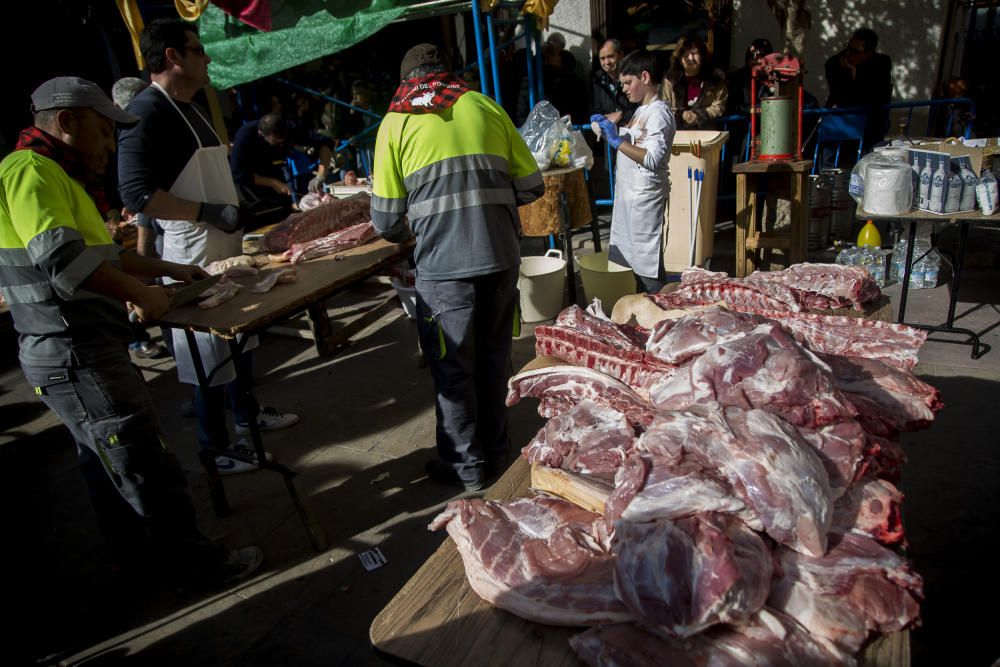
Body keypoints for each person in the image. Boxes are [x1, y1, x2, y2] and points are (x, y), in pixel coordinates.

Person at [0, 76, 262, 585]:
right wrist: (140, 294)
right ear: (67, 122)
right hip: (75, 350)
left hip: (80, 349)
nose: (109, 145)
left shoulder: (56, 174)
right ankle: (196, 566)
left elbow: (106, 254)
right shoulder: (31, 171)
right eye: (103, 131)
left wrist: (168, 270)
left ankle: (138, 559)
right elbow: (63, 261)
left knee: (108, 463)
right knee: (142, 462)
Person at [117, 18, 298, 475]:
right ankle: (216, 448)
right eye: (198, 50)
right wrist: (205, 212)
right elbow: (135, 193)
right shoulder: (146, 112)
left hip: (225, 245)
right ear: (173, 57)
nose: (208, 57)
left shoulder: (193, 107)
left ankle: (246, 416)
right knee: (206, 360)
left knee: (240, 340)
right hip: (193, 252)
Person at [371, 43, 544, 491]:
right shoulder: (485, 105)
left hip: (444, 268)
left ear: (407, 82)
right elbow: (531, 185)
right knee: (492, 358)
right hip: (501, 258)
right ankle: (499, 454)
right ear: (447, 73)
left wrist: (417, 229)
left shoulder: (396, 121)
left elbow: (385, 220)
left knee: (453, 371)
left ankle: (467, 470)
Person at [591, 50, 676, 294]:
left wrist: (618, 141)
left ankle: (660, 314)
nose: (625, 90)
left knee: (647, 267)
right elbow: (637, 142)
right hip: (632, 199)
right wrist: (611, 130)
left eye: (629, 83)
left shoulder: (659, 112)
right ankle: (649, 310)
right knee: (637, 265)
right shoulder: (641, 110)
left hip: (645, 200)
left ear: (646, 77)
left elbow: (652, 157)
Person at [824, 28, 892, 148]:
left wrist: (856, 74)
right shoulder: (838, 62)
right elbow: (836, 89)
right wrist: (848, 73)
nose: (848, 53)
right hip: (840, 121)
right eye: (848, 47)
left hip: (869, 123)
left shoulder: (880, 63)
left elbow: (875, 95)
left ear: (868, 53)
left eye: (854, 51)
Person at [229, 112, 294, 216]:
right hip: (254, 189)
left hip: (277, 177)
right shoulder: (246, 135)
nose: (280, 143)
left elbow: (321, 141)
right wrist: (273, 183)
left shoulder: (284, 128)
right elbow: (237, 174)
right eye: (276, 141)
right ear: (262, 134)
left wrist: (320, 176)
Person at [661, 36, 728, 130]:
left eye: (694, 53)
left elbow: (719, 106)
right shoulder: (671, 80)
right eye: (686, 55)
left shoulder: (715, 79)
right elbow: (663, 107)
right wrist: (682, 114)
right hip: (676, 133)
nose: (691, 58)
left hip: (705, 132)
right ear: (680, 59)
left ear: (702, 55)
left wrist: (699, 115)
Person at [591, 38, 637, 125]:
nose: (607, 62)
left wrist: (621, 115)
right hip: (608, 133)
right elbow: (596, 109)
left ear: (621, 55)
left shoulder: (633, 75)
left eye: (610, 56)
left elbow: (642, 107)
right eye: (602, 58)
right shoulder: (597, 79)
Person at [726, 38, 774, 115]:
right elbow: (732, 106)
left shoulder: (774, 77)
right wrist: (751, 110)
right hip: (743, 123)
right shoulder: (738, 77)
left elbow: (773, 105)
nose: (755, 59)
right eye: (751, 55)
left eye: (761, 55)